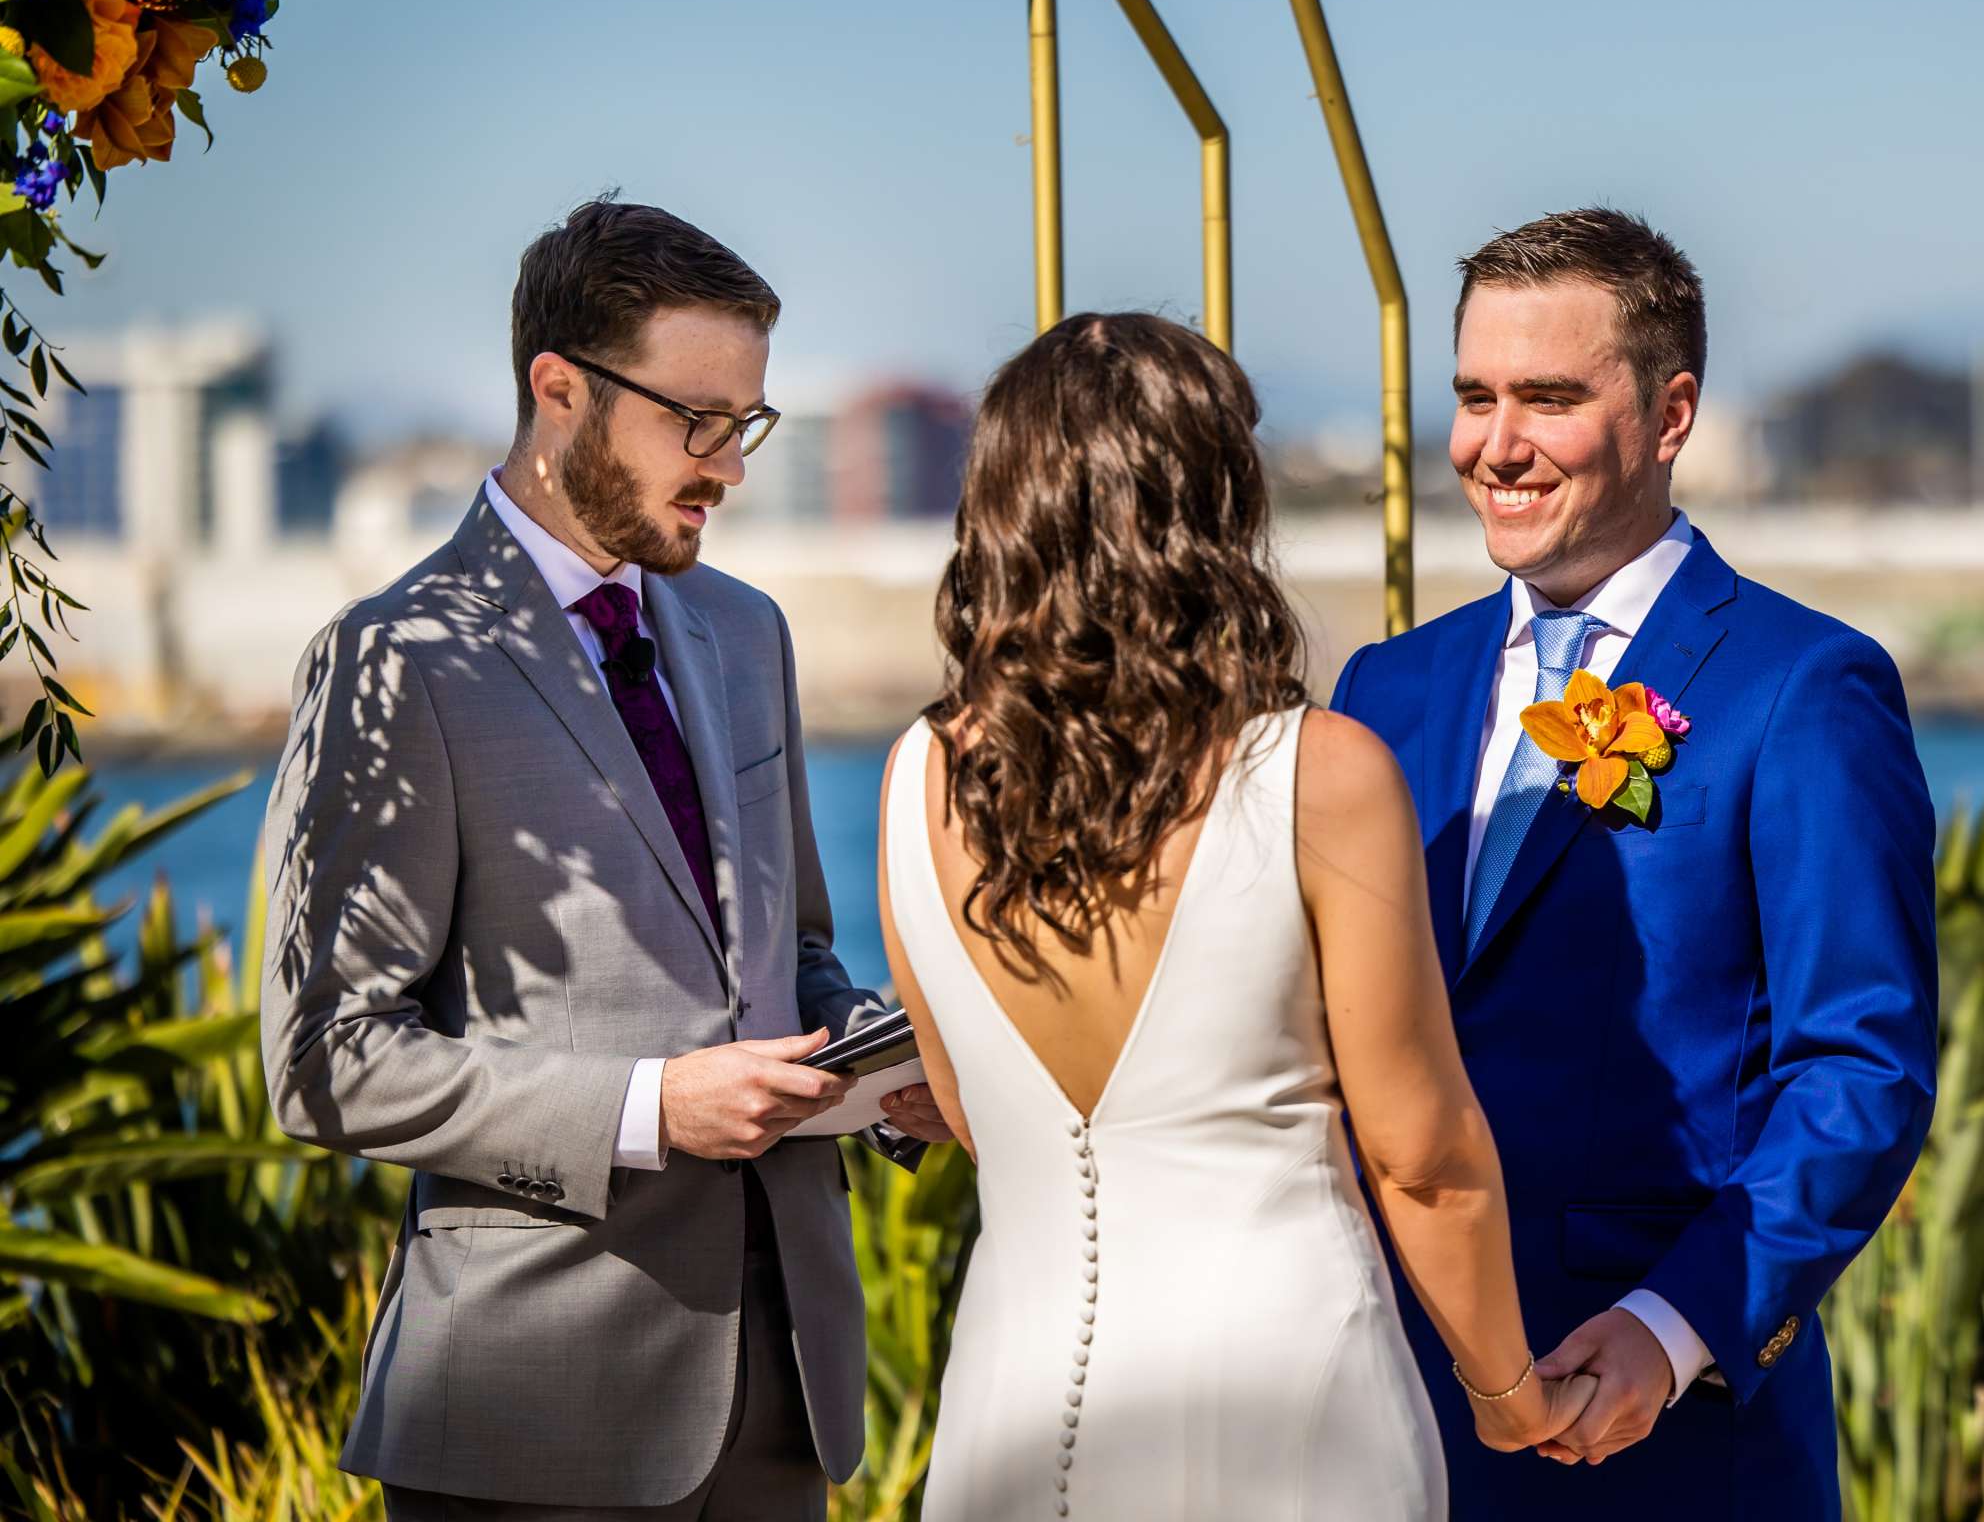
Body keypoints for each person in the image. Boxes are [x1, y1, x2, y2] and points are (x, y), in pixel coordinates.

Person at [258, 198, 949, 1520]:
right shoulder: (399, 660)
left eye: (744, 423)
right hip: (533, 1423)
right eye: (694, 420)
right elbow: (325, 1060)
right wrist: (648, 1110)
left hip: (783, 1399)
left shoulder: (747, 634)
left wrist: (880, 1064)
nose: (728, 465)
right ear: (559, 391)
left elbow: (793, 951)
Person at [879, 312, 1595, 1519]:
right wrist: (1507, 1392)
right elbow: (1420, 1155)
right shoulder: (1320, 771)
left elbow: (963, 1107)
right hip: (1289, 1407)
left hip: (1011, 1408)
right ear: (1216, 508)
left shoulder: (915, 775)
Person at [1332, 206, 1939, 1517]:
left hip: (1665, 1438)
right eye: (1476, 396)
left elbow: (1862, 1073)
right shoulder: (1382, 689)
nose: (1496, 445)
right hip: (1388, 1411)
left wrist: (1676, 1330)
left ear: (1671, 414)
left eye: (1547, 398)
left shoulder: (1805, 688)